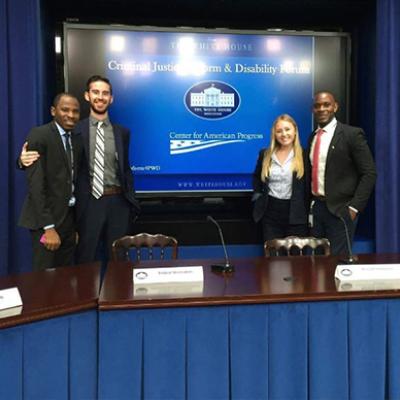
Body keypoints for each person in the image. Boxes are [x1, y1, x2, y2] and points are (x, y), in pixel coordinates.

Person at [73, 75, 140, 263]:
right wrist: (23, 160)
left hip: (118, 203)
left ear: (111, 98)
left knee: (118, 261)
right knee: (86, 259)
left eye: (105, 93)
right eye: (95, 92)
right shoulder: (76, 131)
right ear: (87, 96)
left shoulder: (122, 133)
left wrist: (131, 202)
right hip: (89, 204)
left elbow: (125, 169)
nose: (100, 97)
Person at [308, 91, 376, 255]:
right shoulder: (313, 137)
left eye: (326, 104)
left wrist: (354, 208)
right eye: (317, 105)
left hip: (341, 210)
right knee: (316, 264)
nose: (322, 109)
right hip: (317, 210)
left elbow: (369, 173)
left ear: (335, 107)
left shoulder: (351, 134)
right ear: (313, 109)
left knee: (339, 263)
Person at [18, 93, 81, 270]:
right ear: (53, 111)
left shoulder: (77, 139)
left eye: (75, 111)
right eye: (65, 110)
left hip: (68, 220)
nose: (71, 115)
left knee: (65, 278)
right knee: (44, 281)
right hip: (46, 222)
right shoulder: (40, 135)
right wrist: (49, 227)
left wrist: (74, 227)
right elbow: (36, 186)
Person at [253, 114, 309, 241]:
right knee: (273, 257)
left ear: (295, 131)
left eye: (287, 129)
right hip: (270, 214)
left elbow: (308, 186)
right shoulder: (265, 154)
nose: (284, 134)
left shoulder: (305, 155)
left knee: (296, 258)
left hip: (296, 214)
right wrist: (257, 195)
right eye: (279, 131)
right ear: (275, 134)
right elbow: (256, 177)